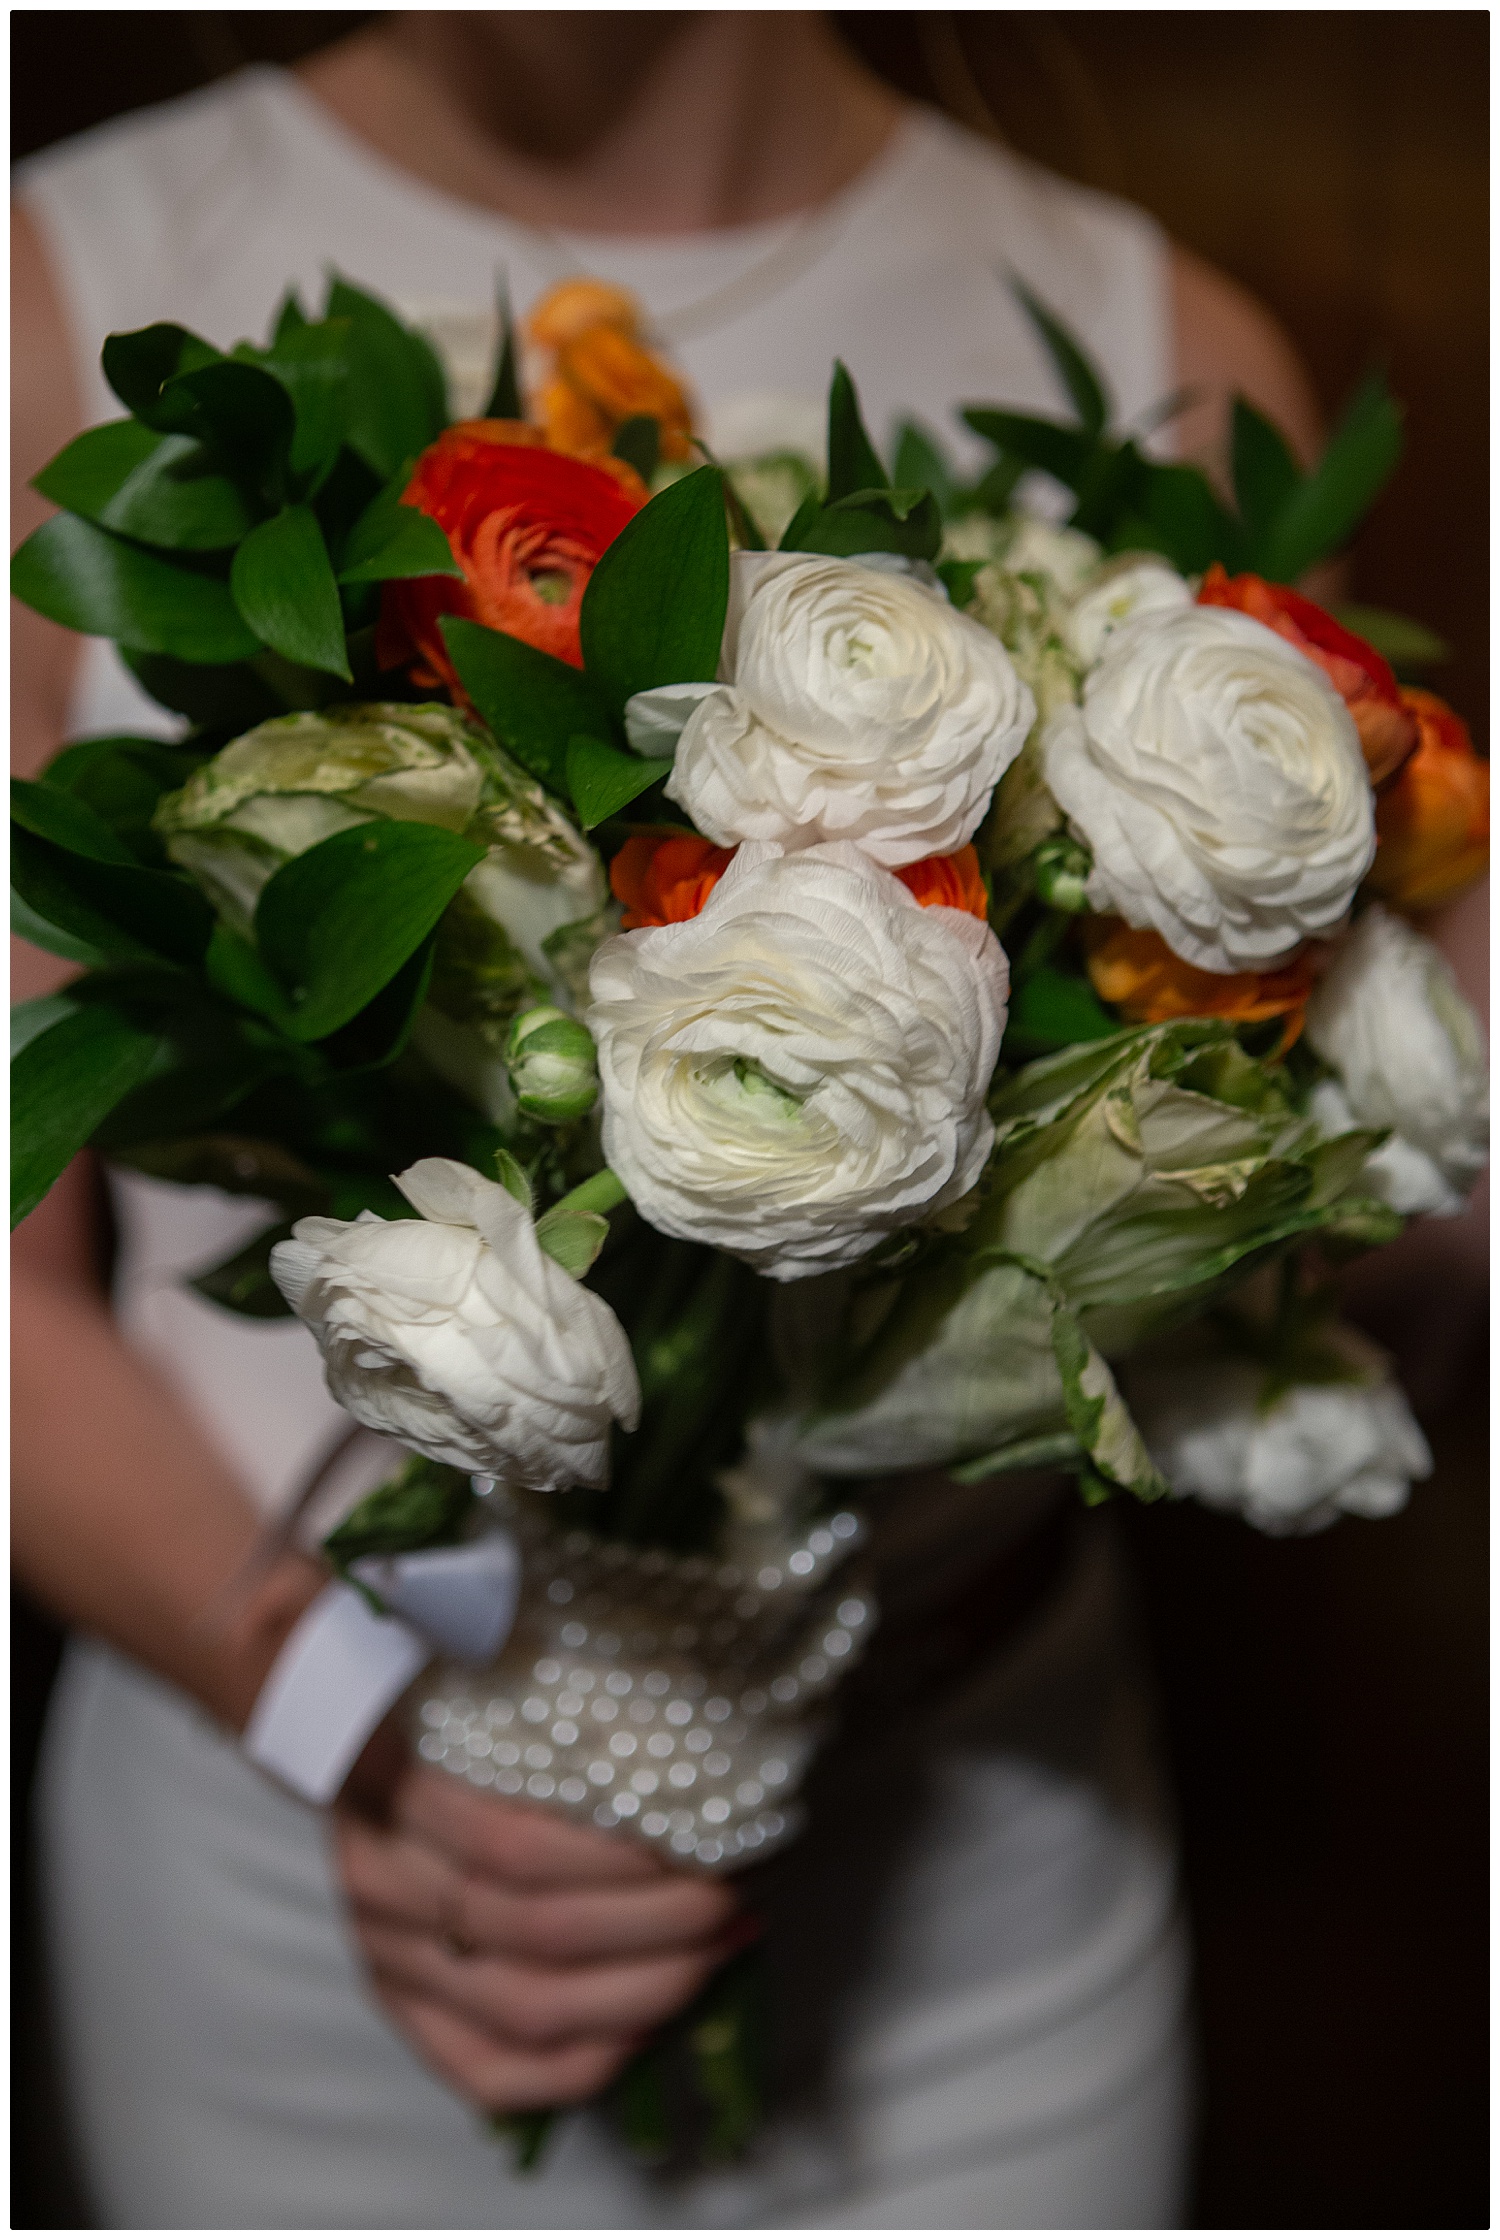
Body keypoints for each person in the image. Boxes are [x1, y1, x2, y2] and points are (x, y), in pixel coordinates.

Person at [11, 13, 1483, 2227]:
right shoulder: (62, 274)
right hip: (303, 1848)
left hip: (974, 1864)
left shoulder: (1154, 328)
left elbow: (1370, 1202)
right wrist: (354, 1724)